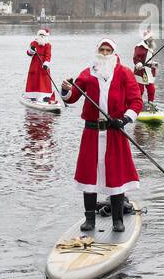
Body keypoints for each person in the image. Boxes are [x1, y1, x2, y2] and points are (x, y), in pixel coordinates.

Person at [59, 38, 143, 232]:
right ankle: (90, 220)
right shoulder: (88, 73)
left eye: (108, 50)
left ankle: (117, 220)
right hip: (91, 133)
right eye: (102, 50)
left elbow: (136, 102)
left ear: (113, 53)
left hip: (115, 131)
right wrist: (65, 89)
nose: (105, 53)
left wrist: (124, 119)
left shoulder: (124, 73)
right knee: (89, 176)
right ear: (97, 51)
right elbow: (72, 97)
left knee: (116, 175)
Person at [24, 27, 56, 104]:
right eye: (40, 34)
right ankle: (32, 96)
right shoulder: (33, 43)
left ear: (46, 36)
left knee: (44, 80)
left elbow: (48, 55)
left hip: (43, 65)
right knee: (34, 79)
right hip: (35, 64)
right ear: (38, 35)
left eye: (43, 35)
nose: (41, 36)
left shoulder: (48, 45)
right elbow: (29, 54)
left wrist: (46, 63)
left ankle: (45, 96)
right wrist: (31, 50)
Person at [132, 27, 159, 109]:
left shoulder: (150, 46)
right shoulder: (139, 46)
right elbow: (136, 58)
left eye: (152, 37)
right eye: (150, 38)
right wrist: (138, 63)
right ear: (147, 38)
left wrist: (153, 63)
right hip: (141, 71)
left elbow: (148, 58)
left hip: (149, 70)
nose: (152, 39)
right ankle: (137, 104)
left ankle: (150, 103)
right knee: (140, 89)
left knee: (151, 88)